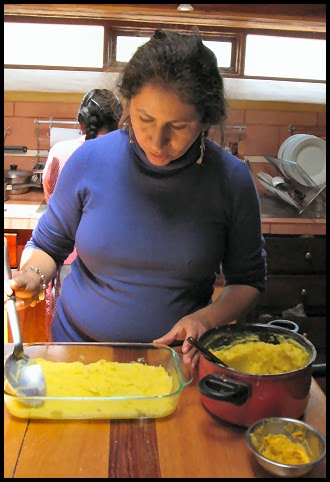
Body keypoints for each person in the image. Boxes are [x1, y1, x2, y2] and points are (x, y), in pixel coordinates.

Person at [4, 29, 266, 370]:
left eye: (180, 126)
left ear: (205, 120)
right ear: (128, 105)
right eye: (145, 119)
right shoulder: (89, 161)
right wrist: (33, 276)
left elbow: (247, 282)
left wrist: (205, 319)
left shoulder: (230, 179)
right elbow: (48, 246)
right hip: (77, 355)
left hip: (172, 362)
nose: (158, 141)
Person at [42, 89, 123, 338]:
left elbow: (51, 193)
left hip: (68, 259)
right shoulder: (127, 155)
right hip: (112, 263)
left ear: (80, 122)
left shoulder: (61, 152)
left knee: (69, 336)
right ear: (118, 122)